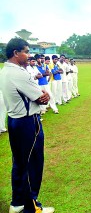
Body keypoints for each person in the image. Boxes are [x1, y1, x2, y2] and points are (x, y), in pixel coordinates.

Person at [0, 38, 54, 213]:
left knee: (20, 163)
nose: (28, 55)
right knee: (32, 163)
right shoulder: (18, 73)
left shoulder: (5, 71)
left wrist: (41, 94)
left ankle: (17, 203)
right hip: (27, 122)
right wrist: (44, 94)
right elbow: (40, 97)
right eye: (26, 51)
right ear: (16, 53)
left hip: (16, 121)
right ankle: (32, 207)